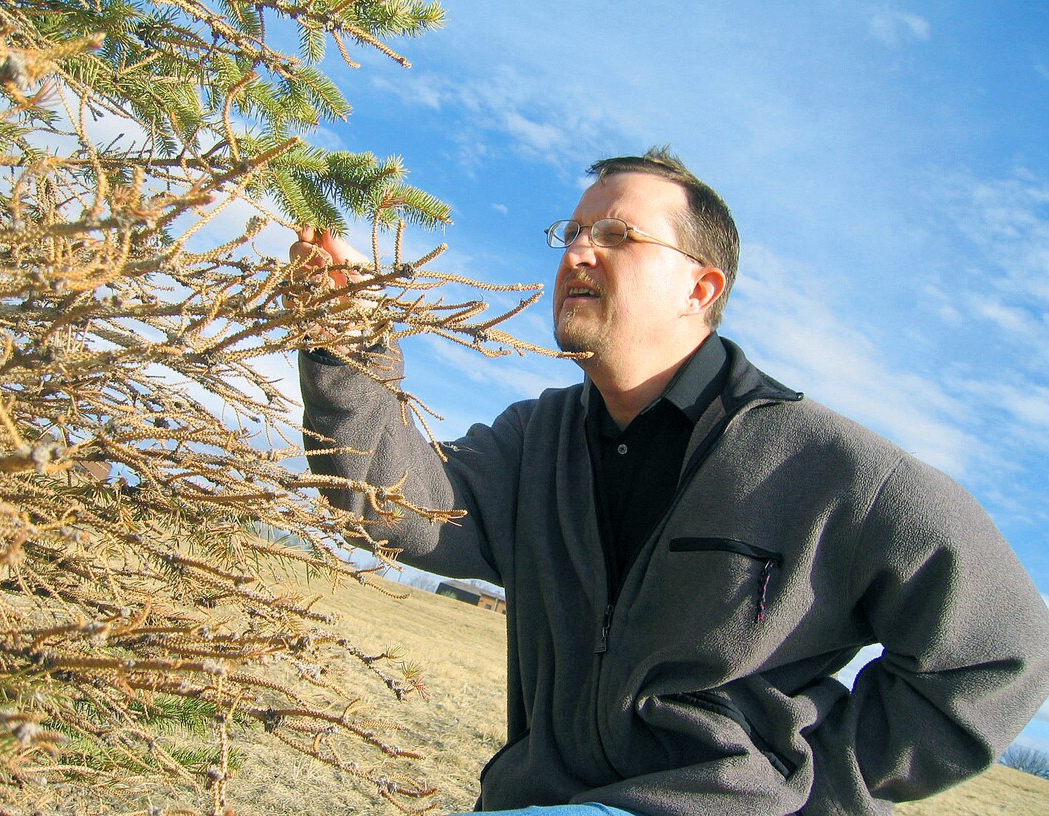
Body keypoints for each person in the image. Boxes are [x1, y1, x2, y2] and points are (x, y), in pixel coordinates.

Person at [291, 148, 1049, 816]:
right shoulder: (537, 440)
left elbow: (1003, 649)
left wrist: (818, 788)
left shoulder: (830, 466)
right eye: (573, 233)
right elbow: (389, 507)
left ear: (700, 288)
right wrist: (346, 347)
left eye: (618, 235)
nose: (578, 252)